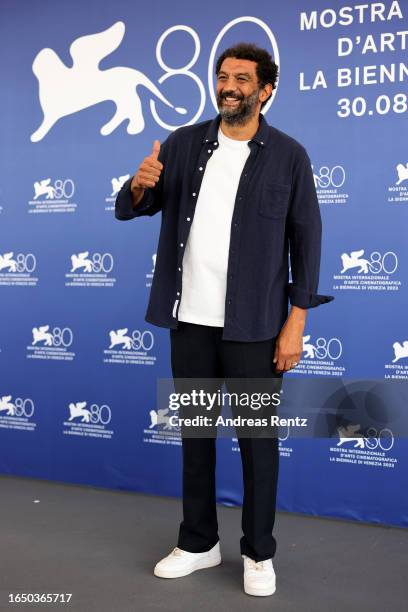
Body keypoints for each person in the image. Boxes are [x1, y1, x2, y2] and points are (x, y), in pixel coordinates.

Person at [115, 42, 334, 597]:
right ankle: (198, 542)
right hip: (188, 322)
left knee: (257, 442)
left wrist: (296, 322)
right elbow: (135, 204)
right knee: (195, 436)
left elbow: (307, 241)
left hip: (257, 327)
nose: (228, 85)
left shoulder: (288, 156)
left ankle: (258, 553)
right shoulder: (186, 143)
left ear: (265, 90)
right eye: (222, 76)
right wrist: (140, 184)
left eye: (241, 78)